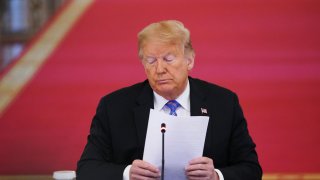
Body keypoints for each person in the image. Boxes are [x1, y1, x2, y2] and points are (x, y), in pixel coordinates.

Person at [77, 20, 262, 180]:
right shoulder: (114, 107)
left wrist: (216, 176)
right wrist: (127, 174)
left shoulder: (223, 103)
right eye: (151, 61)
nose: (159, 69)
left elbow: (251, 169)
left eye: (168, 59)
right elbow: (86, 170)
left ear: (189, 60)